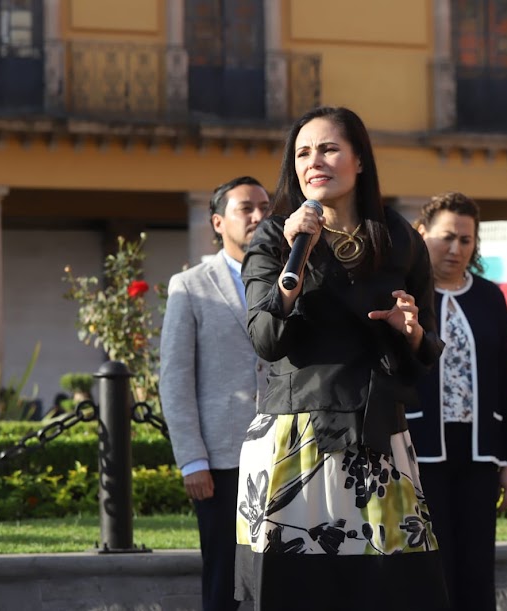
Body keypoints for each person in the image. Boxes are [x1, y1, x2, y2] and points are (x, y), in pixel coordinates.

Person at [234, 106, 448, 611]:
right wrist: (297, 257)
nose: (314, 161)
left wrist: (410, 332)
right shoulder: (271, 237)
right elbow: (265, 339)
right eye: (303, 153)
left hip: (378, 436)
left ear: (359, 161)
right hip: (294, 436)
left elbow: (427, 347)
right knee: (293, 589)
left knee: (391, 587)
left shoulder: (401, 240)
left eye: (328, 148)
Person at [159, 175, 272, 611]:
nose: (260, 216)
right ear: (218, 222)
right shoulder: (189, 285)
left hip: (287, 451)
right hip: (223, 458)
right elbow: (175, 377)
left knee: (283, 574)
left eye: (265, 206)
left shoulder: (293, 278)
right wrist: (192, 459)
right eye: (247, 208)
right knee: (225, 577)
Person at [412, 192, 507, 611]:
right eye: (446, 237)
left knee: (478, 562)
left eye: (465, 240)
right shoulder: (405, 295)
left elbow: (506, 381)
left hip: (479, 451)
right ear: (422, 234)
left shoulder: (490, 296)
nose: (456, 248)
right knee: (433, 561)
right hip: (422, 450)